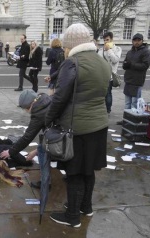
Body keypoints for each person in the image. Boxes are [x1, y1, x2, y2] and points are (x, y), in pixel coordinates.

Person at [45, 23, 110, 228]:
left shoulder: (72, 63)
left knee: (74, 173)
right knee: (88, 170)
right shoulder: (101, 61)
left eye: (65, 46)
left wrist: (47, 120)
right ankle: (86, 207)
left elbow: (60, 97)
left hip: (78, 128)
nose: (64, 50)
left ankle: (73, 217)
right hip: (99, 125)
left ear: (71, 45)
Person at [0, 90, 51, 187]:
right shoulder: (45, 99)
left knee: (44, 154)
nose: (27, 111)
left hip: (60, 138)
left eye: (26, 108)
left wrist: (10, 152)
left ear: (31, 104)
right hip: (64, 133)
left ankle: (45, 183)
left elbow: (28, 137)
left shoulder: (39, 112)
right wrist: (36, 150)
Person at [121, 33, 150, 110]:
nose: (136, 42)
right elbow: (125, 64)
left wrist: (131, 64)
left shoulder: (146, 52)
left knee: (134, 103)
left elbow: (145, 65)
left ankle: (132, 121)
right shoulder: (130, 52)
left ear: (142, 41)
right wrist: (125, 65)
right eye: (135, 40)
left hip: (137, 81)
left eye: (139, 40)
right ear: (132, 41)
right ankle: (126, 119)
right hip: (128, 80)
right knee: (127, 102)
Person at [97, 32, 121, 114]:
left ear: (111, 39)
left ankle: (108, 109)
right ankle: (101, 108)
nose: (105, 42)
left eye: (107, 40)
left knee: (108, 93)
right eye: (104, 40)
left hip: (110, 75)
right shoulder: (101, 50)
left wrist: (109, 50)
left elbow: (115, 60)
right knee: (101, 93)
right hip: (101, 75)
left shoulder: (117, 49)